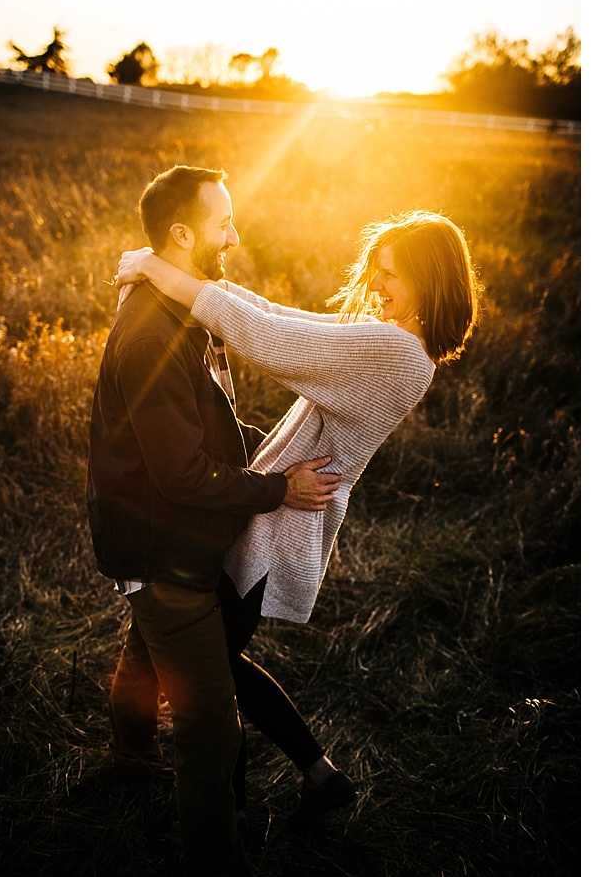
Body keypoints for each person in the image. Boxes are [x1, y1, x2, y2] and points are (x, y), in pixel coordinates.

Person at [115, 208, 480, 826]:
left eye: (389, 273)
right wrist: (203, 285)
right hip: (272, 516)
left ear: (429, 279)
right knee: (203, 660)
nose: (375, 283)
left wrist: (151, 265)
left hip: (278, 529)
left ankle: (242, 809)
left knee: (209, 674)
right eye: (375, 269)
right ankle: (310, 777)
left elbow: (269, 341)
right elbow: (287, 320)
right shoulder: (391, 341)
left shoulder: (396, 351)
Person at [86, 165, 341, 877]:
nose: (235, 233)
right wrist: (278, 487)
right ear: (182, 233)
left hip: (157, 535)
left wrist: (270, 447)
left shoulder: (181, 307)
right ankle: (214, 875)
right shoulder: (151, 334)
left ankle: (129, 757)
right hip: (162, 542)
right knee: (209, 729)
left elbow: (203, 429)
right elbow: (182, 475)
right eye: (223, 221)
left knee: (145, 651)